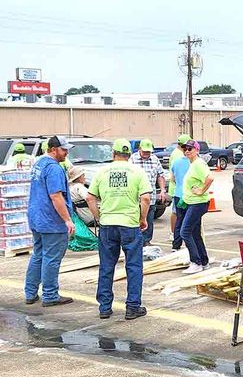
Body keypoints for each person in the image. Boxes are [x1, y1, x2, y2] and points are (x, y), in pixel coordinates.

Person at [86, 139, 152, 320]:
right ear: (130, 155)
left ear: (113, 154)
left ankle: (105, 308)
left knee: (107, 266)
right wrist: (143, 218)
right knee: (133, 266)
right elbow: (145, 198)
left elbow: (90, 197)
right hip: (130, 224)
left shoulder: (102, 172)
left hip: (108, 224)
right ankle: (132, 307)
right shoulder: (138, 171)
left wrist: (99, 217)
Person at [24, 136, 75, 307]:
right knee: (51, 258)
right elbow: (56, 196)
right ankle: (50, 295)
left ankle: (30, 293)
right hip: (52, 220)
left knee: (38, 255)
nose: (66, 153)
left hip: (37, 218)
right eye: (63, 150)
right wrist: (67, 220)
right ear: (53, 149)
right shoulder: (54, 168)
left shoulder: (39, 164)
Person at [180, 140, 214, 274]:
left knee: (185, 231)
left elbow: (210, 178)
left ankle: (196, 262)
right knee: (195, 233)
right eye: (185, 149)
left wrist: (201, 190)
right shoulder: (193, 164)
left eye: (190, 148)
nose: (187, 151)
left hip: (197, 203)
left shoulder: (199, 164)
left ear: (197, 150)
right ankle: (204, 261)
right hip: (193, 202)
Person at [129, 138, 166, 246]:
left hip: (151, 197)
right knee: (135, 222)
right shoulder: (132, 159)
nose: (146, 154)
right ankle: (135, 243)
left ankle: (146, 242)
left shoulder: (155, 159)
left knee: (148, 221)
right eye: (145, 151)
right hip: (135, 198)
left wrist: (163, 190)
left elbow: (160, 175)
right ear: (139, 149)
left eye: (149, 152)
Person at [168, 134, 191, 241]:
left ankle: (176, 239)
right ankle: (175, 234)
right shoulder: (180, 157)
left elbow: (172, 176)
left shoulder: (176, 155)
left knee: (178, 215)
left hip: (177, 190)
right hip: (183, 191)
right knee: (179, 215)